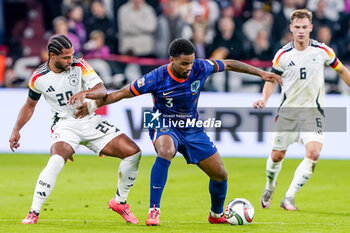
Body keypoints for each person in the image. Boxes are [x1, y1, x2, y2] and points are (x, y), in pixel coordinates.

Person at [74, 38, 281, 225]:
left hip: (191, 126)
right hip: (160, 120)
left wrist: (261, 73)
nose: (189, 67)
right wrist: (91, 106)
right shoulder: (156, 77)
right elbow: (120, 93)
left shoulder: (201, 67)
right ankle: (154, 210)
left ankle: (216, 215)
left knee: (220, 174)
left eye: (191, 62)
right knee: (165, 150)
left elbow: (229, 64)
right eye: (184, 63)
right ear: (171, 60)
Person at [9, 34, 142, 224]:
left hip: (90, 119)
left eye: (72, 55)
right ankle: (33, 212)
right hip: (64, 124)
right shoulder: (38, 77)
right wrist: (16, 129)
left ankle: (120, 201)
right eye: (66, 57)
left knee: (133, 153)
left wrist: (85, 93)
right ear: (52, 56)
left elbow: (102, 90)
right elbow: (30, 105)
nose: (71, 60)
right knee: (56, 160)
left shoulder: (80, 65)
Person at [253, 9, 350, 211]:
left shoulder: (323, 51)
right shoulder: (282, 55)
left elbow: (341, 70)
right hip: (288, 112)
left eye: (304, 27)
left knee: (313, 153)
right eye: (297, 27)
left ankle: (289, 197)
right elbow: (272, 80)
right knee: (277, 156)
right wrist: (264, 99)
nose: (301, 31)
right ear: (291, 28)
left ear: (311, 28)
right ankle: (270, 185)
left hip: (313, 112)